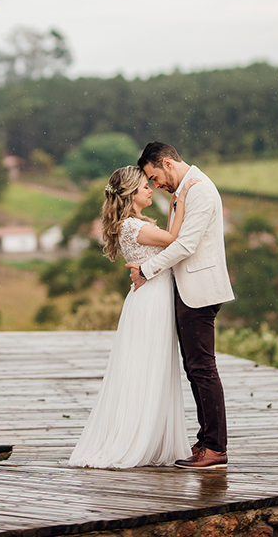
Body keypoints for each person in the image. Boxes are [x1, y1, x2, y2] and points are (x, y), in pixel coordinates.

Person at [68, 165, 197, 469]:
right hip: (151, 301)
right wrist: (179, 200)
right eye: (144, 187)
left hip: (151, 298)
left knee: (151, 367)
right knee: (147, 367)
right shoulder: (131, 226)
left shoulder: (133, 224)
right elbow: (174, 238)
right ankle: (137, 439)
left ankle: (149, 436)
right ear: (129, 194)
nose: (150, 189)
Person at [126, 142, 234, 470]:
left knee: (202, 368)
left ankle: (214, 447)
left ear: (168, 164)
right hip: (188, 289)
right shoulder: (185, 190)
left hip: (199, 291)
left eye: (155, 176)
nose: (156, 184)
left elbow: (186, 244)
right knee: (195, 368)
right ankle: (206, 442)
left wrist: (146, 269)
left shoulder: (198, 190)